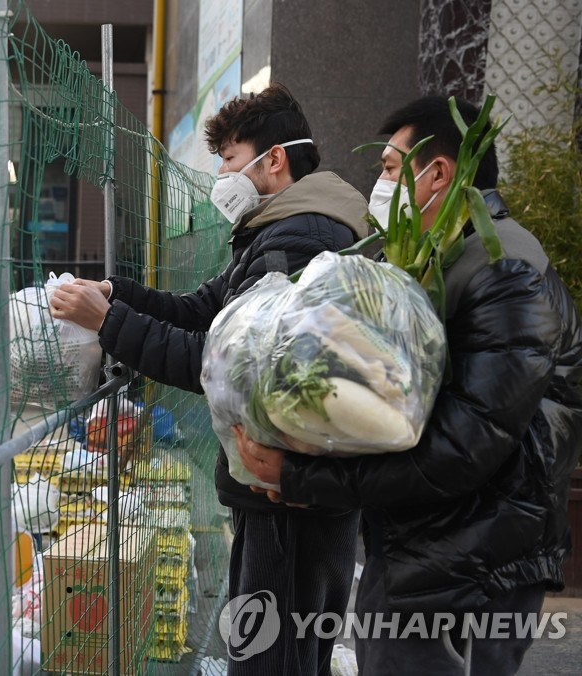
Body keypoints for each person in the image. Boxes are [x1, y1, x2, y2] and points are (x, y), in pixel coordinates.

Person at [237, 96, 582, 675]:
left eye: (392, 168)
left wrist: (300, 476)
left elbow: (464, 446)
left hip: (472, 566)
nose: (381, 182)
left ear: (439, 173)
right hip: (431, 550)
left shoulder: (504, 271)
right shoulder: (442, 261)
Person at [50, 84, 370, 675]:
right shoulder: (278, 229)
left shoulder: (300, 240)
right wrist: (118, 295)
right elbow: (208, 311)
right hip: (288, 485)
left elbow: (234, 367)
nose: (221, 172)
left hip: (287, 493)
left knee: (272, 658)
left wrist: (109, 323)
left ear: (273, 159)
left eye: (228, 157)